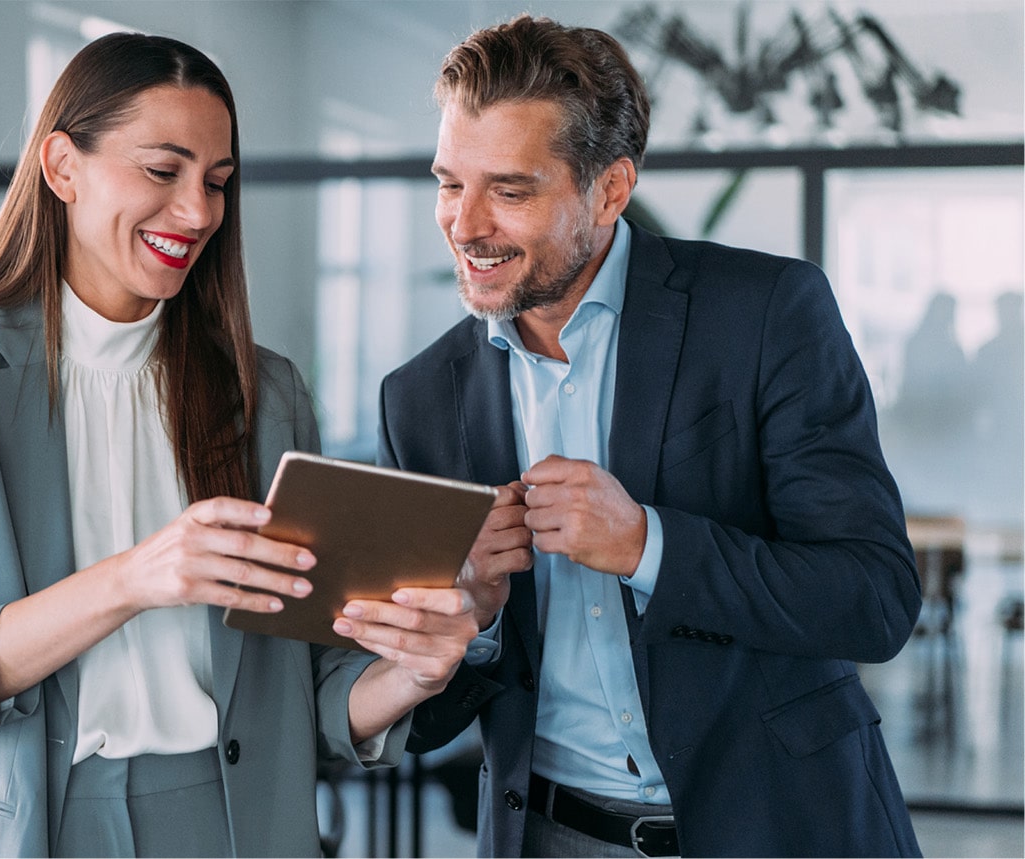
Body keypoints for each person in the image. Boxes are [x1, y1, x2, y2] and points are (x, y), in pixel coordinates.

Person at [0, 32, 478, 858]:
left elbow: (308, 701)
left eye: (217, 183)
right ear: (62, 167)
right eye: (162, 171)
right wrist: (135, 578)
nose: (197, 212)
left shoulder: (266, 393)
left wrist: (414, 673)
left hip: (223, 823)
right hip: (16, 829)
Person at [380, 15, 923, 858]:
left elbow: (874, 598)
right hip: (549, 837)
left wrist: (648, 544)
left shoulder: (767, 313)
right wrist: (473, 617)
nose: (464, 221)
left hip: (779, 826)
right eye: (450, 183)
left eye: (510, 190)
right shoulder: (418, 398)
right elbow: (421, 720)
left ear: (610, 189)